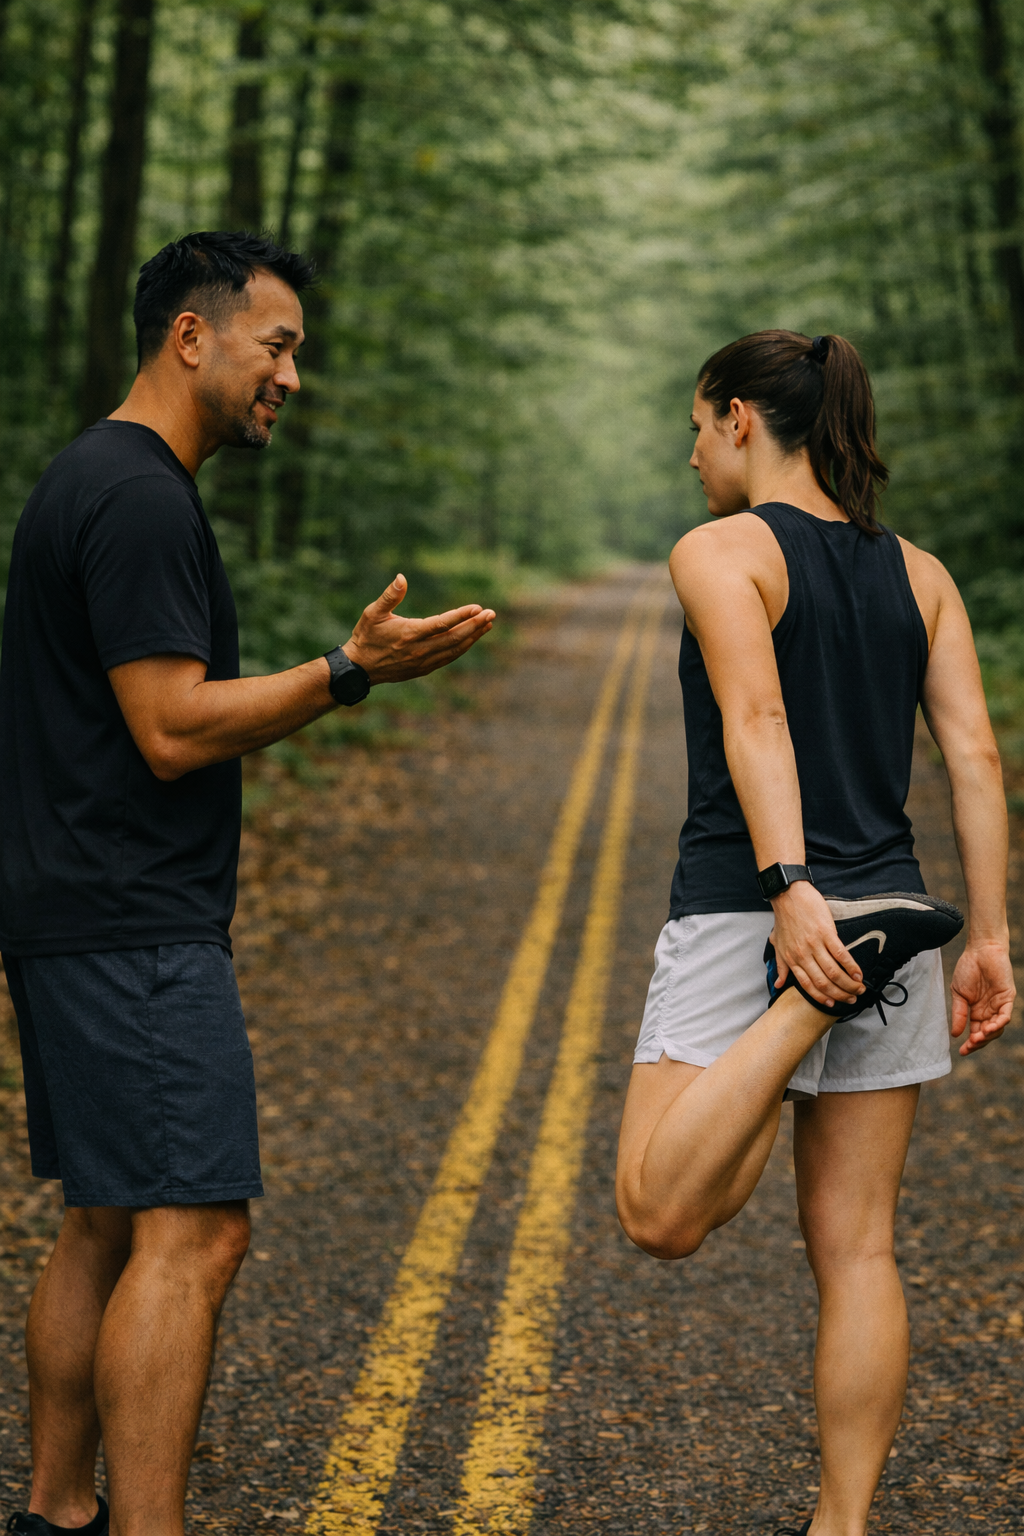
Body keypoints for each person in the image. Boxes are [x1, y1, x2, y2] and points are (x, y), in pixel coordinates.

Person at [0, 230, 495, 1536]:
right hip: (133, 925)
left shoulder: (91, 475)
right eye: (276, 347)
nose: (291, 377)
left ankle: (56, 1513)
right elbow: (169, 726)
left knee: (108, 1220)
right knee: (196, 1233)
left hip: (71, 908)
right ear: (191, 335)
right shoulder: (140, 496)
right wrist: (348, 673)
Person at [615, 330, 1014, 1536]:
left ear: (740, 418)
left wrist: (792, 890)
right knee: (858, 1254)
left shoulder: (719, 551)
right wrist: (989, 937)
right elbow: (974, 757)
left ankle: (804, 1005)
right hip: (896, 918)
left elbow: (756, 716)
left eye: (697, 428)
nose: (692, 456)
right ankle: (840, 1526)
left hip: (755, 912)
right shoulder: (922, 574)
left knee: (659, 1211)